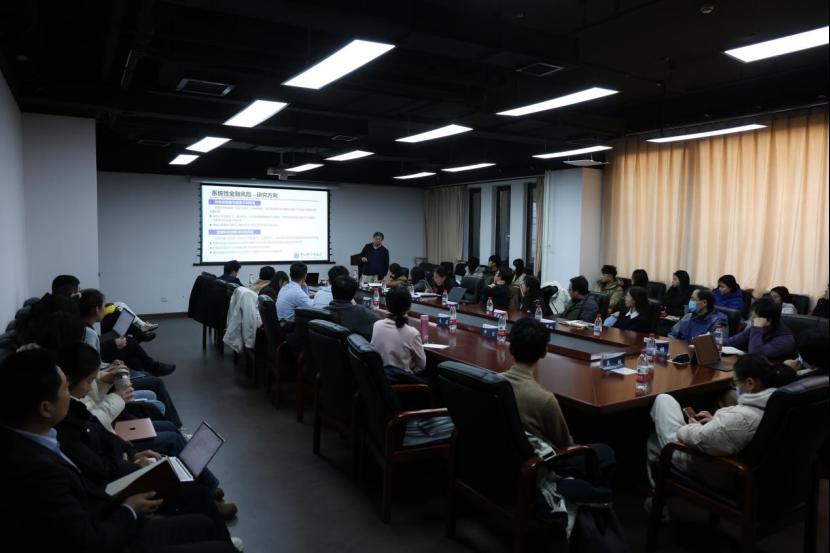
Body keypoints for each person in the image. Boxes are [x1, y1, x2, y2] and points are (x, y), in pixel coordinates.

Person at [0, 348, 239, 553]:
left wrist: (132, 460)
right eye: (64, 390)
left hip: (109, 510)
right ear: (45, 408)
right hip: (112, 530)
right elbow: (89, 541)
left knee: (203, 522)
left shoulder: (43, 435)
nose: (70, 396)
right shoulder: (35, 471)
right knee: (213, 537)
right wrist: (129, 508)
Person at [55, 343, 239, 522]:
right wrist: (134, 465)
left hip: (119, 449)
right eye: (89, 381)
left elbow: (101, 431)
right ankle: (205, 494)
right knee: (172, 441)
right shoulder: (68, 427)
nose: (90, 386)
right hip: (117, 469)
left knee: (170, 432)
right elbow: (102, 464)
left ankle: (204, 489)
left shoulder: (74, 409)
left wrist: (131, 453)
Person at [647, 354, 796, 496]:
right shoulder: (776, 403)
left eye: (735, 382)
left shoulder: (743, 419)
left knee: (663, 400)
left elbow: (699, 437)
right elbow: (732, 431)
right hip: (755, 470)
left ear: (750, 383)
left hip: (721, 470)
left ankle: (659, 503)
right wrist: (715, 422)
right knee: (654, 440)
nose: (735, 387)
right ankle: (658, 500)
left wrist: (693, 426)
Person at [78, 289, 182, 428]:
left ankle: (150, 368)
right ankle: (174, 425)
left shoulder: (84, 329)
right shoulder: (89, 334)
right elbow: (94, 366)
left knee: (134, 357)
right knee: (156, 382)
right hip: (106, 384)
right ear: (97, 309)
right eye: (103, 306)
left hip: (104, 380)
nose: (104, 309)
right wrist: (110, 368)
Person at [502, 319, 573, 448]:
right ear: (544, 352)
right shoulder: (545, 399)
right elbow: (565, 445)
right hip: (539, 458)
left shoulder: (492, 382)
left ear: (510, 349)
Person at [371, 286, 426, 382]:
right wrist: (411, 367)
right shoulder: (412, 333)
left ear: (386, 305)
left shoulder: (377, 325)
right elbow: (421, 366)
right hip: (402, 382)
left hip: (379, 378)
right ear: (409, 307)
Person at [723, 297, 795, 358]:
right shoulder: (757, 328)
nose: (751, 319)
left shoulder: (785, 339)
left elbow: (755, 356)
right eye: (751, 316)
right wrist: (717, 342)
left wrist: (757, 328)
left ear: (769, 321)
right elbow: (731, 342)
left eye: (755, 317)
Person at [327, 276, 380, 340]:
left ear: (332, 291)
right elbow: (380, 325)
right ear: (354, 294)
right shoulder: (362, 312)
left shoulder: (323, 311)